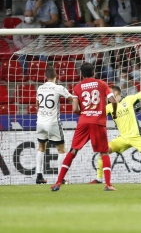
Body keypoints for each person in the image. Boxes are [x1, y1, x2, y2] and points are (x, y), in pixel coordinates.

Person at [50, 62, 118, 191]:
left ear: (81, 74)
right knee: (104, 152)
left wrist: (84, 114)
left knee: (73, 150)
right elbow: (113, 100)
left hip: (84, 121)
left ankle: (58, 182)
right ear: (94, 73)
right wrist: (113, 112)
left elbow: (75, 108)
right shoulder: (102, 84)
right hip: (98, 121)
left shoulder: (77, 87)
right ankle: (108, 184)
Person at [36, 66, 73, 184]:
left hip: (40, 122)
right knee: (61, 149)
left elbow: (37, 104)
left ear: (45, 77)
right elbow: (72, 99)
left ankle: (39, 176)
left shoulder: (40, 88)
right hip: (52, 123)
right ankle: (60, 178)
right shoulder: (59, 88)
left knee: (41, 147)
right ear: (56, 76)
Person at [13, 10, 47, 75]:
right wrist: (24, 47)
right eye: (27, 16)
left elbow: (42, 38)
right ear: (24, 16)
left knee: (44, 56)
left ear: (33, 16)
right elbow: (16, 40)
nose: (29, 17)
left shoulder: (38, 25)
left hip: (37, 48)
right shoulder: (19, 27)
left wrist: (38, 47)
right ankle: (25, 74)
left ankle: (41, 73)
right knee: (21, 57)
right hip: (24, 48)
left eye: (30, 16)